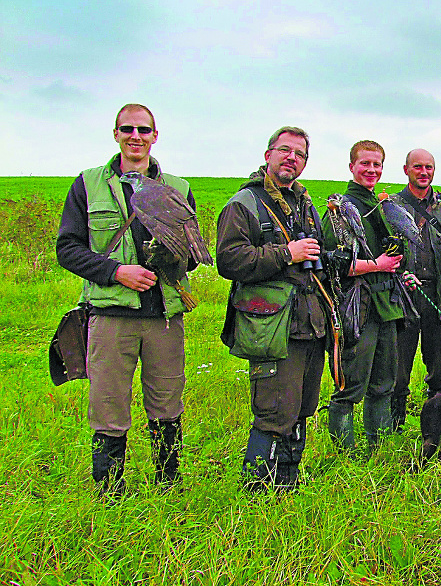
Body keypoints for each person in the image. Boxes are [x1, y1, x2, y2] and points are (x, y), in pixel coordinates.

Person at [56, 104, 197, 497]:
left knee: (168, 402)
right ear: (115, 133)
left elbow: (192, 255)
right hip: (111, 314)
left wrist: (174, 256)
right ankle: (109, 491)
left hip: (164, 316)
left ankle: (169, 484)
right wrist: (117, 272)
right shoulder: (88, 184)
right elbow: (67, 249)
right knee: (108, 404)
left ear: (155, 135)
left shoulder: (179, 187)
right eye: (127, 129)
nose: (136, 136)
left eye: (144, 130)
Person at [216, 126, 337, 490]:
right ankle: (256, 492)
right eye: (285, 151)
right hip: (273, 327)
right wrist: (288, 253)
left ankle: (287, 482)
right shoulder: (245, 204)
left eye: (299, 154)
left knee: (302, 408)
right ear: (268, 154)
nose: (291, 159)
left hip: (310, 325)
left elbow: (314, 256)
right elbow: (229, 260)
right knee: (273, 413)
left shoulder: (304, 203)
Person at [322, 141, 411, 451]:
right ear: (351, 167)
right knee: (350, 386)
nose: (371, 170)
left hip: (387, 306)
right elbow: (330, 262)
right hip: (356, 308)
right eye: (365, 164)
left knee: (384, 385)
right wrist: (377, 265)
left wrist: (399, 268)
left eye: (377, 164)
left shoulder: (384, 206)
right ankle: (343, 455)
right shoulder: (340, 208)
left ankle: (378, 448)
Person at [390, 149, 441, 431]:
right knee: (398, 369)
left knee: (439, 368)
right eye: (417, 167)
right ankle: (394, 424)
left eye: (428, 167)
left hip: (440, 295)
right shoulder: (393, 205)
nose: (423, 172)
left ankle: (438, 423)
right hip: (404, 298)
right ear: (406, 170)